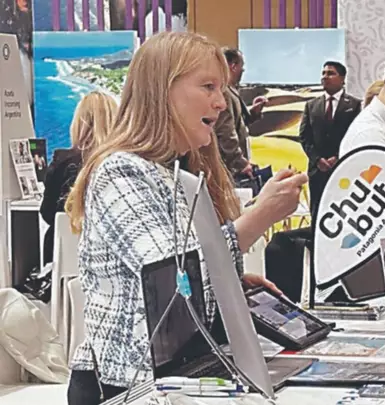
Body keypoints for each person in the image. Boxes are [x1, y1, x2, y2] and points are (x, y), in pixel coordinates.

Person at [63, 32, 307, 405]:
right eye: (208, 86)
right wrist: (260, 217)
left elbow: (185, 276)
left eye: (221, 88)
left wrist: (228, 284)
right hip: (124, 387)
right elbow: (172, 282)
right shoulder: (121, 172)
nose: (220, 102)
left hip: (172, 380)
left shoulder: (176, 173)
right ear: (162, 91)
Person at [40, 91, 117, 265]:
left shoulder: (62, 161)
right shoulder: (123, 163)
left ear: (78, 123)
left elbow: (48, 213)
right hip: (109, 260)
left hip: (64, 262)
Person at [299, 61, 362, 218]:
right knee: (317, 213)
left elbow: (356, 136)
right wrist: (317, 160)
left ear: (342, 78)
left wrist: (338, 157)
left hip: (343, 169)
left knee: (343, 214)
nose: (325, 77)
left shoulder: (354, 105)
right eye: (323, 73)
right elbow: (305, 137)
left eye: (331, 73)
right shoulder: (311, 105)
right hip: (317, 172)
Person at [214, 47, 264, 184]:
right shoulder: (224, 93)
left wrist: (254, 112)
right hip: (230, 169)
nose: (243, 70)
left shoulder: (231, 91)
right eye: (242, 66)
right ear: (233, 66)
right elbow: (226, 132)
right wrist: (240, 163)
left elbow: (238, 122)